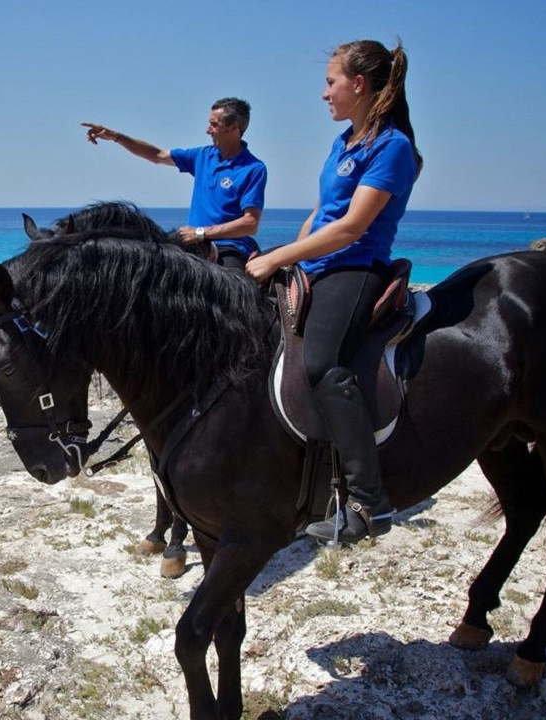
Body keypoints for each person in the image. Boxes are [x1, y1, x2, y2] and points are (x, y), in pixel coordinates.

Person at [246, 39, 422, 544]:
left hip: (356, 267)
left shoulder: (392, 147)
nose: (325, 93)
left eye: (331, 82)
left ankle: (370, 500)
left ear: (358, 85)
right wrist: (289, 256)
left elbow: (350, 227)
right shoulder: (343, 142)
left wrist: (277, 258)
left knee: (322, 364)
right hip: (316, 263)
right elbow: (321, 212)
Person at [82, 98, 267, 269]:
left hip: (230, 248)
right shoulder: (202, 156)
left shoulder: (253, 168)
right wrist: (115, 136)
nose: (207, 130)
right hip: (191, 241)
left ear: (233, 127)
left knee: (230, 292)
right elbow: (157, 155)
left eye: (214, 124)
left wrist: (201, 232)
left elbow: (250, 223)